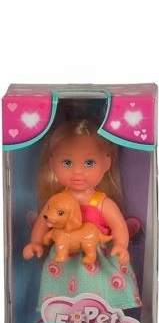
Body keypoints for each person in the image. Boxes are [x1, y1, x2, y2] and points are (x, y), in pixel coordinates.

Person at [23, 120, 141, 310]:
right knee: (61, 300)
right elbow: (43, 222)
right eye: (67, 163)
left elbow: (118, 225)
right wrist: (36, 242)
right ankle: (64, 318)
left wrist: (121, 245)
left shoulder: (101, 202)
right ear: (52, 163)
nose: (78, 172)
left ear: (106, 163)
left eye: (89, 163)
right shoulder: (56, 201)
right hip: (63, 258)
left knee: (97, 293)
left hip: (96, 256)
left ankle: (98, 317)